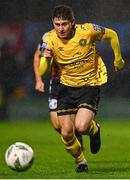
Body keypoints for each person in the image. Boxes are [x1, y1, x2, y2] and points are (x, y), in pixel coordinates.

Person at [33, 5, 124, 173]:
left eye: (64, 24)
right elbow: (43, 69)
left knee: (81, 127)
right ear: (53, 23)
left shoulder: (88, 30)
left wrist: (118, 59)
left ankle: (95, 130)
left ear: (73, 22)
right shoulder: (49, 39)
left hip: (89, 84)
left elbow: (112, 34)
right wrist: (46, 58)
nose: (61, 28)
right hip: (66, 87)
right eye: (57, 24)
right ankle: (81, 161)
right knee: (66, 132)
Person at [34, 47, 83, 149]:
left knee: (73, 124)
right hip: (57, 84)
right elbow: (37, 55)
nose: (61, 29)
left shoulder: (75, 37)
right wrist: (39, 79)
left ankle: (79, 145)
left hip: (74, 82)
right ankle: (76, 136)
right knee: (57, 125)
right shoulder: (48, 38)